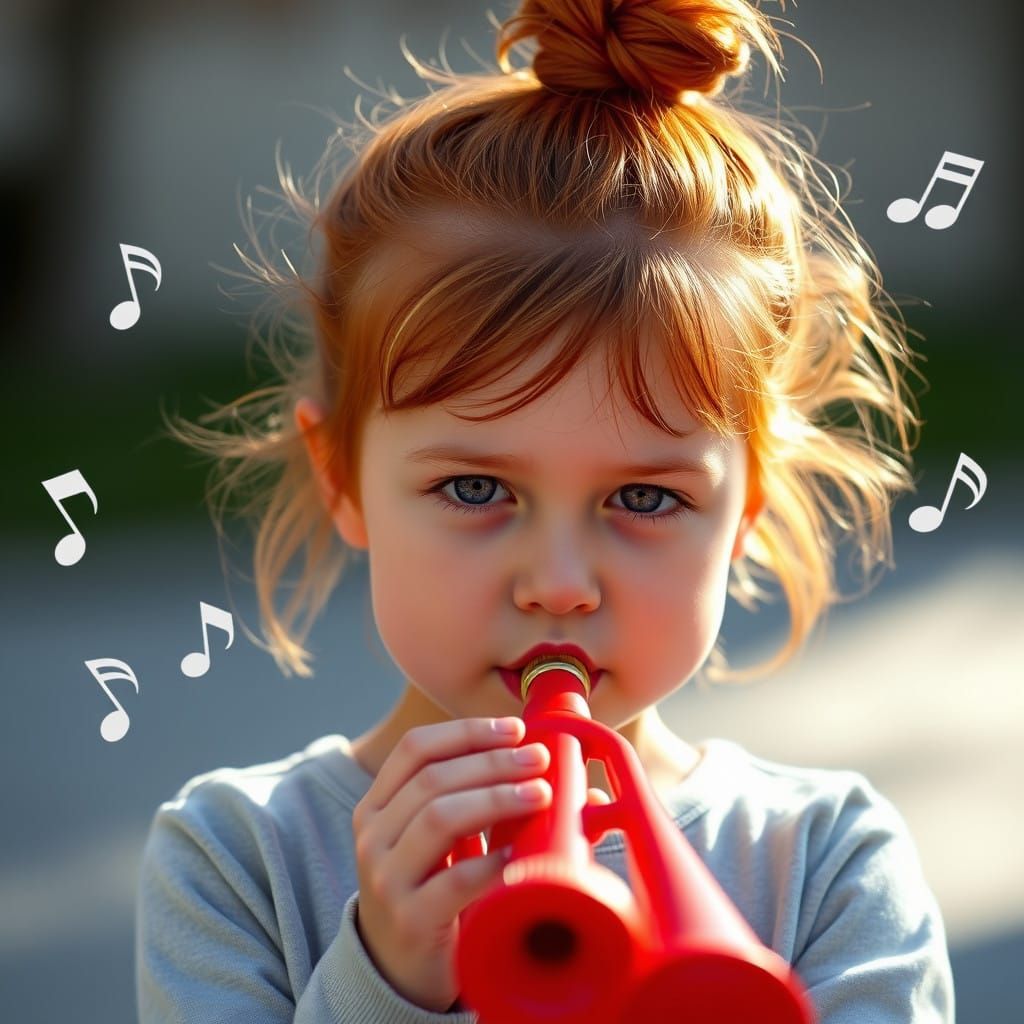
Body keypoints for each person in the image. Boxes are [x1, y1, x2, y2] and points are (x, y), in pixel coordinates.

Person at [136, 0, 955, 1020]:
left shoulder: (827, 861)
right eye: (475, 488)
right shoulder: (234, 859)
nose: (560, 584)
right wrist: (383, 986)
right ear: (341, 477)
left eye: (646, 496)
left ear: (747, 510)